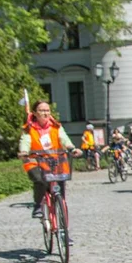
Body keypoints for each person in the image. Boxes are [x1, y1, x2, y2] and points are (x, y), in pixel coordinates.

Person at [18, 100, 81, 239]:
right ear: (35, 113)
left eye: (47, 110)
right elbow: (25, 141)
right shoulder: (29, 128)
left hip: (56, 162)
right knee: (39, 180)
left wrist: (72, 148)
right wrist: (23, 152)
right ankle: (38, 205)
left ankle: (64, 231)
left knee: (61, 199)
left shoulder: (56, 127)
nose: (45, 113)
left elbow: (64, 139)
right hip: (35, 162)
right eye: (41, 110)